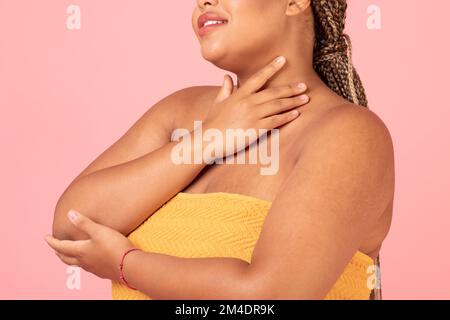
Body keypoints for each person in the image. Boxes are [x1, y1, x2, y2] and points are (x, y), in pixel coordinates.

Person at [46, 0, 394, 300]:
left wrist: (126, 265)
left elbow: (272, 295)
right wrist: (210, 138)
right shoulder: (178, 112)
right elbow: (71, 225)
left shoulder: (350, 134)